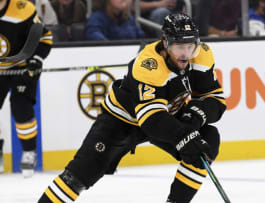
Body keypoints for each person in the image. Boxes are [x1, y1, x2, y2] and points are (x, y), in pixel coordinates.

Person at [38, 13, 226, 202]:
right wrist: (183, 135)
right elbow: (151, 119)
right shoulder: (148, 64)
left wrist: (194, 117)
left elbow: (215, 99)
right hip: (121, 121)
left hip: (166, 117)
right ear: (166, 43)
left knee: (207, 141)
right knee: (78, 176)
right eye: (179, 47)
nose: (185, 54)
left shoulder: (202, 54)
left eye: (190, 46)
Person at [0, 0, 53, 177]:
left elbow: (45, 37)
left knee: (20, 106)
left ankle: (30, 151)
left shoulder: (23, 8)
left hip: (22, 67)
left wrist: (37, 58)